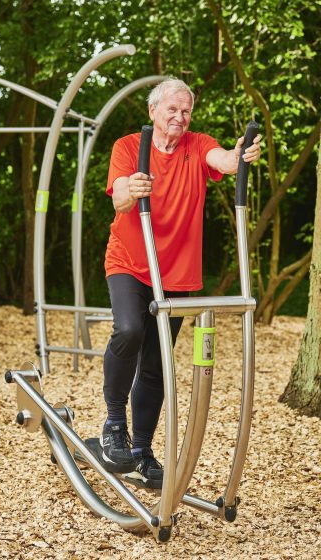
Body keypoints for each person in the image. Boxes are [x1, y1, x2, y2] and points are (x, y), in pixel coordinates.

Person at [100, 78, 261, 487]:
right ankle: (114, 425)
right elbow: (118, 193)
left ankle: (142, 450)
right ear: (153, 111)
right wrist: (131, 188)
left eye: (186, 110)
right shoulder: (128, 146)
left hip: (176, 272)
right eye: (172, 109)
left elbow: (222, 160)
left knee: (157, 364)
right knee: (130, 329)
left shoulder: (196, 144)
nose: (179, 117)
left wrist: (239, 156)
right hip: (131, 262)